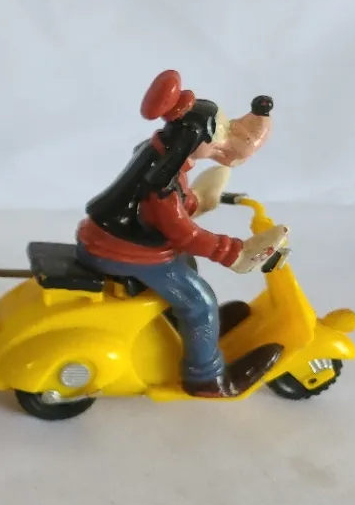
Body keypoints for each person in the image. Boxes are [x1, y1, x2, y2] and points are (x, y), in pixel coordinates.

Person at [75, 70, 287, 397]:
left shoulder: (158, 154)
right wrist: (235, 253)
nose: (224, 140)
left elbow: (161, 211)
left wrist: (197, 199)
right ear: (194, 140)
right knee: (200, 303)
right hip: (122, 251)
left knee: (186, 265)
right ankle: (206, 378)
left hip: (111, 240)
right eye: (219, 134)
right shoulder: (161, 185)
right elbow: (183, 234)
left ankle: (185, 333)